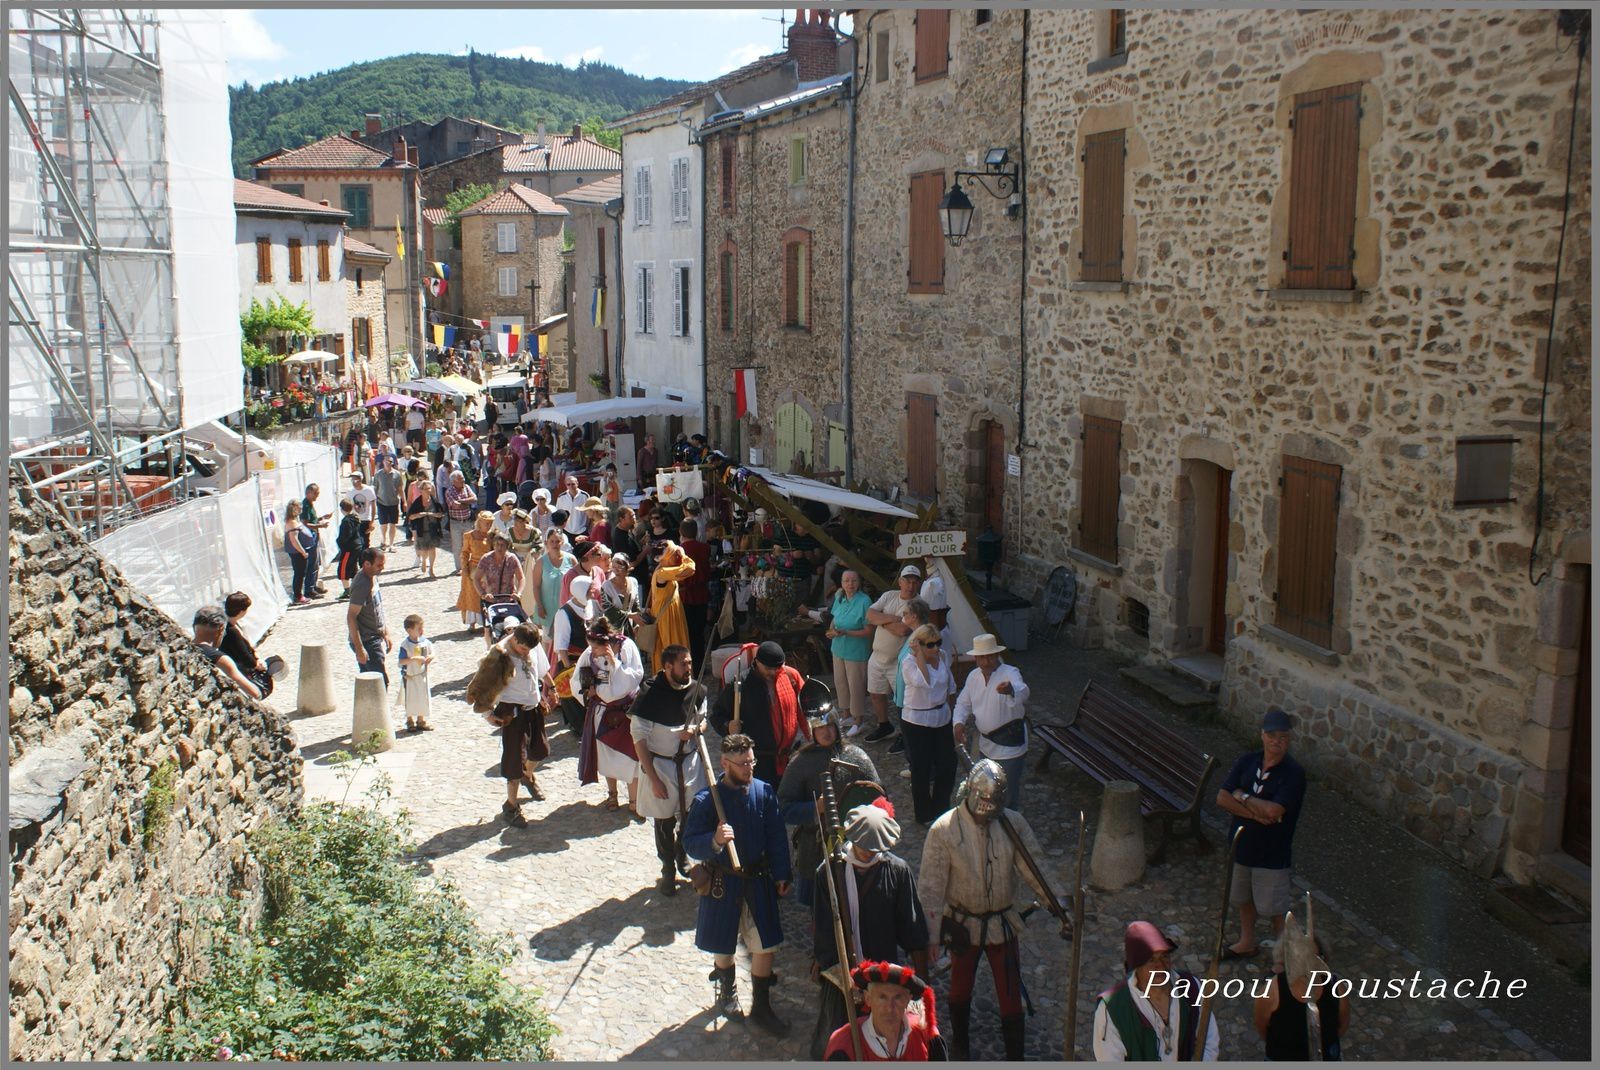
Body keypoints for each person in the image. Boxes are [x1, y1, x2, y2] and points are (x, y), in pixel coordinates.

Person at [918, 759, 1060, 1061]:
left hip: (1002, 922)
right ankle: (961, 1042)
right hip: (962, 924)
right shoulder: (944, 830)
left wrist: (1061, 906)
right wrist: (930, 936)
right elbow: (931, 889)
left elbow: (1037, 868)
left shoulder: (1013, 824)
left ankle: (1015, 1056)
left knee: (1010, 995)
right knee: (959, 988)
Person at [682, 733, 794, 1034]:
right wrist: (715, 840)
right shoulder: (708, 801)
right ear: (725, 763)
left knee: (765, 944)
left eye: (752, 761)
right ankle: (727, 992)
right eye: (743, 763)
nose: (749, 768)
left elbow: (776, 837)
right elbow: (690, 842)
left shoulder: (764, 792)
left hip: (758, 881)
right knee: (723, 944)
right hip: (724, 882)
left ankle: (761, 1006)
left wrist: (782, 872)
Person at [810, 803, 931, 1060]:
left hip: (883, 974)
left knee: (887, 1042)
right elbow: (823, 929)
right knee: (843, 1042)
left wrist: (920, 986)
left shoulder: (897, 871)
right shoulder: (829, 872)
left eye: (873, 847)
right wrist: (841, 975)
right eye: (863, 844)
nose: (867, 852)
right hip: (842, 975)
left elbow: (911, 928)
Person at [776, 681, 879, 908]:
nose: (826, 732)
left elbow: (878, 796)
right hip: (815, 844)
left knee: (860, 903)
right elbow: (783, 807)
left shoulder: (856, 756)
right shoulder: (800, 763)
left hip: (856, 840)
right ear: (812, 731)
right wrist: (815, 809)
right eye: (820, 728)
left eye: (830, 726)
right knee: (819, 909)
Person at [1216, 708, 1307, 960]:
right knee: (1244, 898)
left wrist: (1242, 796)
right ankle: (1247, 941)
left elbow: (1274, 810)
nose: (1277, 741)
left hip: (1272, 851)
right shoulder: (1247, 761)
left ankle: (1283, 957)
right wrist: (1254, 813)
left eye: (1283, 737)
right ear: (1263, 735)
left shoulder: (1293, 773)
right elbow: (1222, 797)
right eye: (1272, 735)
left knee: (1274, 907)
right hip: (1242, 845)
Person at [630, 643, 710, 895]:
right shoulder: (648, 695)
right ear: (667, 667)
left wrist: (696, 730)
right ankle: (667, 868)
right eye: (683, 664)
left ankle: (682, 855)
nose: (689, 668)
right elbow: (639, 739)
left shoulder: (696, 690)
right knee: (664, 820)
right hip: (661, 765)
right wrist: (653, 778)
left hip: (690, 763)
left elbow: (703, 719)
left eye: (689, 663)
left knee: (689, 815)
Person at [1092, 921, 1221, 1061]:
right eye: (1151, 960)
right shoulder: (1112, 1008)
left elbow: (1209, 1041)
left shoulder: (1191, 987)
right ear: (1136, 966)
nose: (1160, 966)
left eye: (1164, 956)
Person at [468, 622, 554, 823]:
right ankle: (511, 805)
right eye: (523, 648)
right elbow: (482, 686)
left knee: (541, 750)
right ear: (515, 638)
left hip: (533, 707)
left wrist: (552, 687)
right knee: (514, 761)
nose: (525, 652)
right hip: (512, 712)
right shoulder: (499, 655)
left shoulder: (532, 643)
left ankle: (528, 775)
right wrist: (488, 714)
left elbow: (541, 670)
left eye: (529, 649)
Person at [951, 633, 1032, 811]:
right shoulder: (973, 677)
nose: (986, 661)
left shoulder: (1010, 673)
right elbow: (963, 703)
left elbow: (1023, 691)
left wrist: (1011, 690)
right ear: (976, 658)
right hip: (986, 745)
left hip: (1010, 746)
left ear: (996, 655)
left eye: (989, 656)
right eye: (982, 657)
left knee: (1008, 795)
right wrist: (958, 723)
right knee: (988, 791)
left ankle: (1009, 828)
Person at [712, 641, 809, 788]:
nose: (773, 672)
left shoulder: (791, 676)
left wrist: (812, 736)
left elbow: (806, 708)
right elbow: (717, 715)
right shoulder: (740, 685)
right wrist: (728, 727)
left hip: (790, 756)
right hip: (759, 762)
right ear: (757, 662)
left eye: (777, 668)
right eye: (768, 668)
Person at [575, 619, 645, 811]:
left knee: (631, 759)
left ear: (607, 644)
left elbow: (633, 678)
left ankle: (634, 801)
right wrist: (586, 691)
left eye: (595, 647)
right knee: (606, 758)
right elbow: (577, 679)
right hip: (602, 712)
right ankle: (612, 795)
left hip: (626, 713)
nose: (592, 651)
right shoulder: (589, 654)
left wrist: (615, 664)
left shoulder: (627, 647)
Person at [824, 960, 942, 1062]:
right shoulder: (845, 1045)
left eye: (897, 997)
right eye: (882, 997)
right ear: (868, 998)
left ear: (908, 1000)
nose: (890, 1007)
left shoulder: (925, 1035)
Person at [1254, 931, 1348, 1061]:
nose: (1307, 966)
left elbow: (1342, 1024)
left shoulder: (1336, 987)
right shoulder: (1272, 991)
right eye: (1299, 959)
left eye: (1313, 958)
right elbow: (1261, 1025)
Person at [899, 623, 957, 825]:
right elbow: (924, 682)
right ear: (919, 645)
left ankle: (941, 808)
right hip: (917, 722)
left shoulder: (942, 658)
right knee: (921, 769)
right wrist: (920, 658)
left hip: (941, 718)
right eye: (930, 645)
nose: (936, 648)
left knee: (948, 765)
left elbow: (949, 685)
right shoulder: (908, 663)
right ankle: (923, 814)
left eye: (938, 643)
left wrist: (953, 714)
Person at [864, 566, 920, 744]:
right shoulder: (889, 595)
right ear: (900, 581)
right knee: (876, 693)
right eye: (907, 581)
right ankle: (884, 725)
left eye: (914, 581)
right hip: (877, 656)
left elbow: (903, 630)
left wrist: (881, 620)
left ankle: (907, 735)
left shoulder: (918, 604)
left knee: (903, 701)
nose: (910, 585)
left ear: (918, 583)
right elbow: (869, 614)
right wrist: (894, 618)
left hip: (899, 661)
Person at [814, 570, 872, 737]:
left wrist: (846, 632)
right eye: (846, 581)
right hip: (838, 647)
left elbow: (868, 630)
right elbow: (834, 619)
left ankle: (858, 720)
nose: (850, 584)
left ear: (859, 582)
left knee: (856, 685)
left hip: (856, 649)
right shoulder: (840, 597)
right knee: (840, 683)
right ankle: (846, 715)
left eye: (853, 580)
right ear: (842, 583)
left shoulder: (865, 601)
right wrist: (831, 630)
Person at [191, 606, 262, 700]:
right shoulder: (221, 659)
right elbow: (254, 693)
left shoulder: (186, 648)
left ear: (194, 626)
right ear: (221, 629)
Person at [647, 539, 695, 673]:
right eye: (675, 554)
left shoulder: (662, 570)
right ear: (667, 557)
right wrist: (684, 554)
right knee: (672, 648)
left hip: (670, 615)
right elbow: (690, 569)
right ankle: (675, 677)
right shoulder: (662, 573)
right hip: (667, 619)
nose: (678, 556)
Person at [219, 592, 280, 697]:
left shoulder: (227, 624)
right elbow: (244, 656)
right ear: (242, 611)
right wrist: (257, 664)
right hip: (242, 670)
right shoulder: (232, 631)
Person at [346, 548, 392, 685]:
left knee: (372, 684)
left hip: (375, 637)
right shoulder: (362, 584)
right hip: (367, 641)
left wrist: (385, 632)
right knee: (379, 684)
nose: (382, 568)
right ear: (367, 564)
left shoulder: (372, 576)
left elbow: (377, 608)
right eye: (379, 565)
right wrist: (359, 648)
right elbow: (351, 617)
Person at [474, 531, 526, 647]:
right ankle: (490, 649)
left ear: (507, 546)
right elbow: (476, 579)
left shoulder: (512, 559)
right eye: (497, 544)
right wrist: (483, 594)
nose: (499, 547)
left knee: (512, 626)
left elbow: (521, 578)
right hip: (491, 600)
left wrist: (519, 593)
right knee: (489, 629)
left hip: (509, 599)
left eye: (502, 545)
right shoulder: (486, 559)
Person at [678, 518, 713, 666]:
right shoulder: (705, 547)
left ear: (681, 532)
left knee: (687, 633)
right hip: (701, 594)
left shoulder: (679, 550)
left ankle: (690, 665)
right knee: (698, 633)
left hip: (685, 595)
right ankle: (699, 664)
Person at [530, 527, 576, 637]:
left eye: (557, 541)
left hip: (566, 607)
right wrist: (540, 606)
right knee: (547, 639)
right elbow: (536, 586)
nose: (555, 544)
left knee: (564, 638)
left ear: (562, 542)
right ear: (546, 543)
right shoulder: (541, 562)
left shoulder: (571, 560)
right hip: (547, 608)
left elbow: (576, 583)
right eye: (552, 541)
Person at [396, 613, 435, 732]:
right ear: (409, 630)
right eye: (418, 629)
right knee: (410, 699)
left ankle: (421, 720)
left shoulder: (425, 642)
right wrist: (412, 659)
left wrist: (430, 657)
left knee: (422, 698)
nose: (421, 631)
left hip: (422, 675)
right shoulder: (405, 645)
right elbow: (401, 661)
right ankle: (410, 721)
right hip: (410, 676)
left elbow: (432, 652)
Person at [552, 575, 599, 669]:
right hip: (574, 664)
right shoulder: (564, 613)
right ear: (581, 591)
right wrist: (569, 670)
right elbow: (562, 647)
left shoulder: (592, 604)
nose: (593, 594)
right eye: (590, 590)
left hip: (593, 661)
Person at [405, 479, 444, 576]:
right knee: (423, 550)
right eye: (426, 489)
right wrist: (419, 515)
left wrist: (435, 515)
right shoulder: (417, 502)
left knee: (432, 549)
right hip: (421, 529)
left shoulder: (434, 501)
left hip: (433, 529)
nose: (428, 491)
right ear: (421, 490)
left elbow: (441, 513)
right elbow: (410, 516)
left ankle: (431, 569)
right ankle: (423, 561)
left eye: (429, 488)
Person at [282, 501, 317, 604]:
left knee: (301, 573)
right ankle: (298, 596)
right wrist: (303, 552)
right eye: (299, 507)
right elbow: (294, 540)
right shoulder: (292, 522)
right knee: (299, 574)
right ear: (294, 509)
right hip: (297, 553)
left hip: (299, 552)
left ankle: (299, 594)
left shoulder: (294, 520)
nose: (301, 509)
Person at [300, 483, 332, 593]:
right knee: (311, 564)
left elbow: (312, 520)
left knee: (316, 563)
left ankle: (313, 585)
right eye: (315, 494)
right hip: (310, 538)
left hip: (314, 536)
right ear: (309, 493)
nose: (317, 496)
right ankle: (309, 589)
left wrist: (322, 518)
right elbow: (305, 524)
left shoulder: (310, 504)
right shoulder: (305, 505)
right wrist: (321, 526)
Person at [332, 498, 362, 599]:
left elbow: (345, 536)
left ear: (342, 509)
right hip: (357, 546)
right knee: (353, 568)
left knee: (343, 570)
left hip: (349, 549)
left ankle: (347, 592)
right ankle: (356, 589)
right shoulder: (355, 518)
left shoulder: (346, 521)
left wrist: (339, 542)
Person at [373, 454, 402, 550]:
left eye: (390, 461)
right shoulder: (378, 474)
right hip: (382, 502)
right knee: (383, 524)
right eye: (387, 461)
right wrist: (374, 501)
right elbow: (375, 488)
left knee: (393, 524)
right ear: (383, 462)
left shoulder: (397, 474)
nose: (389, 463)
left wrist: (404, 501)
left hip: (393, 502)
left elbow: (400, 488)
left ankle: (391, 544)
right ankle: (383, 540)